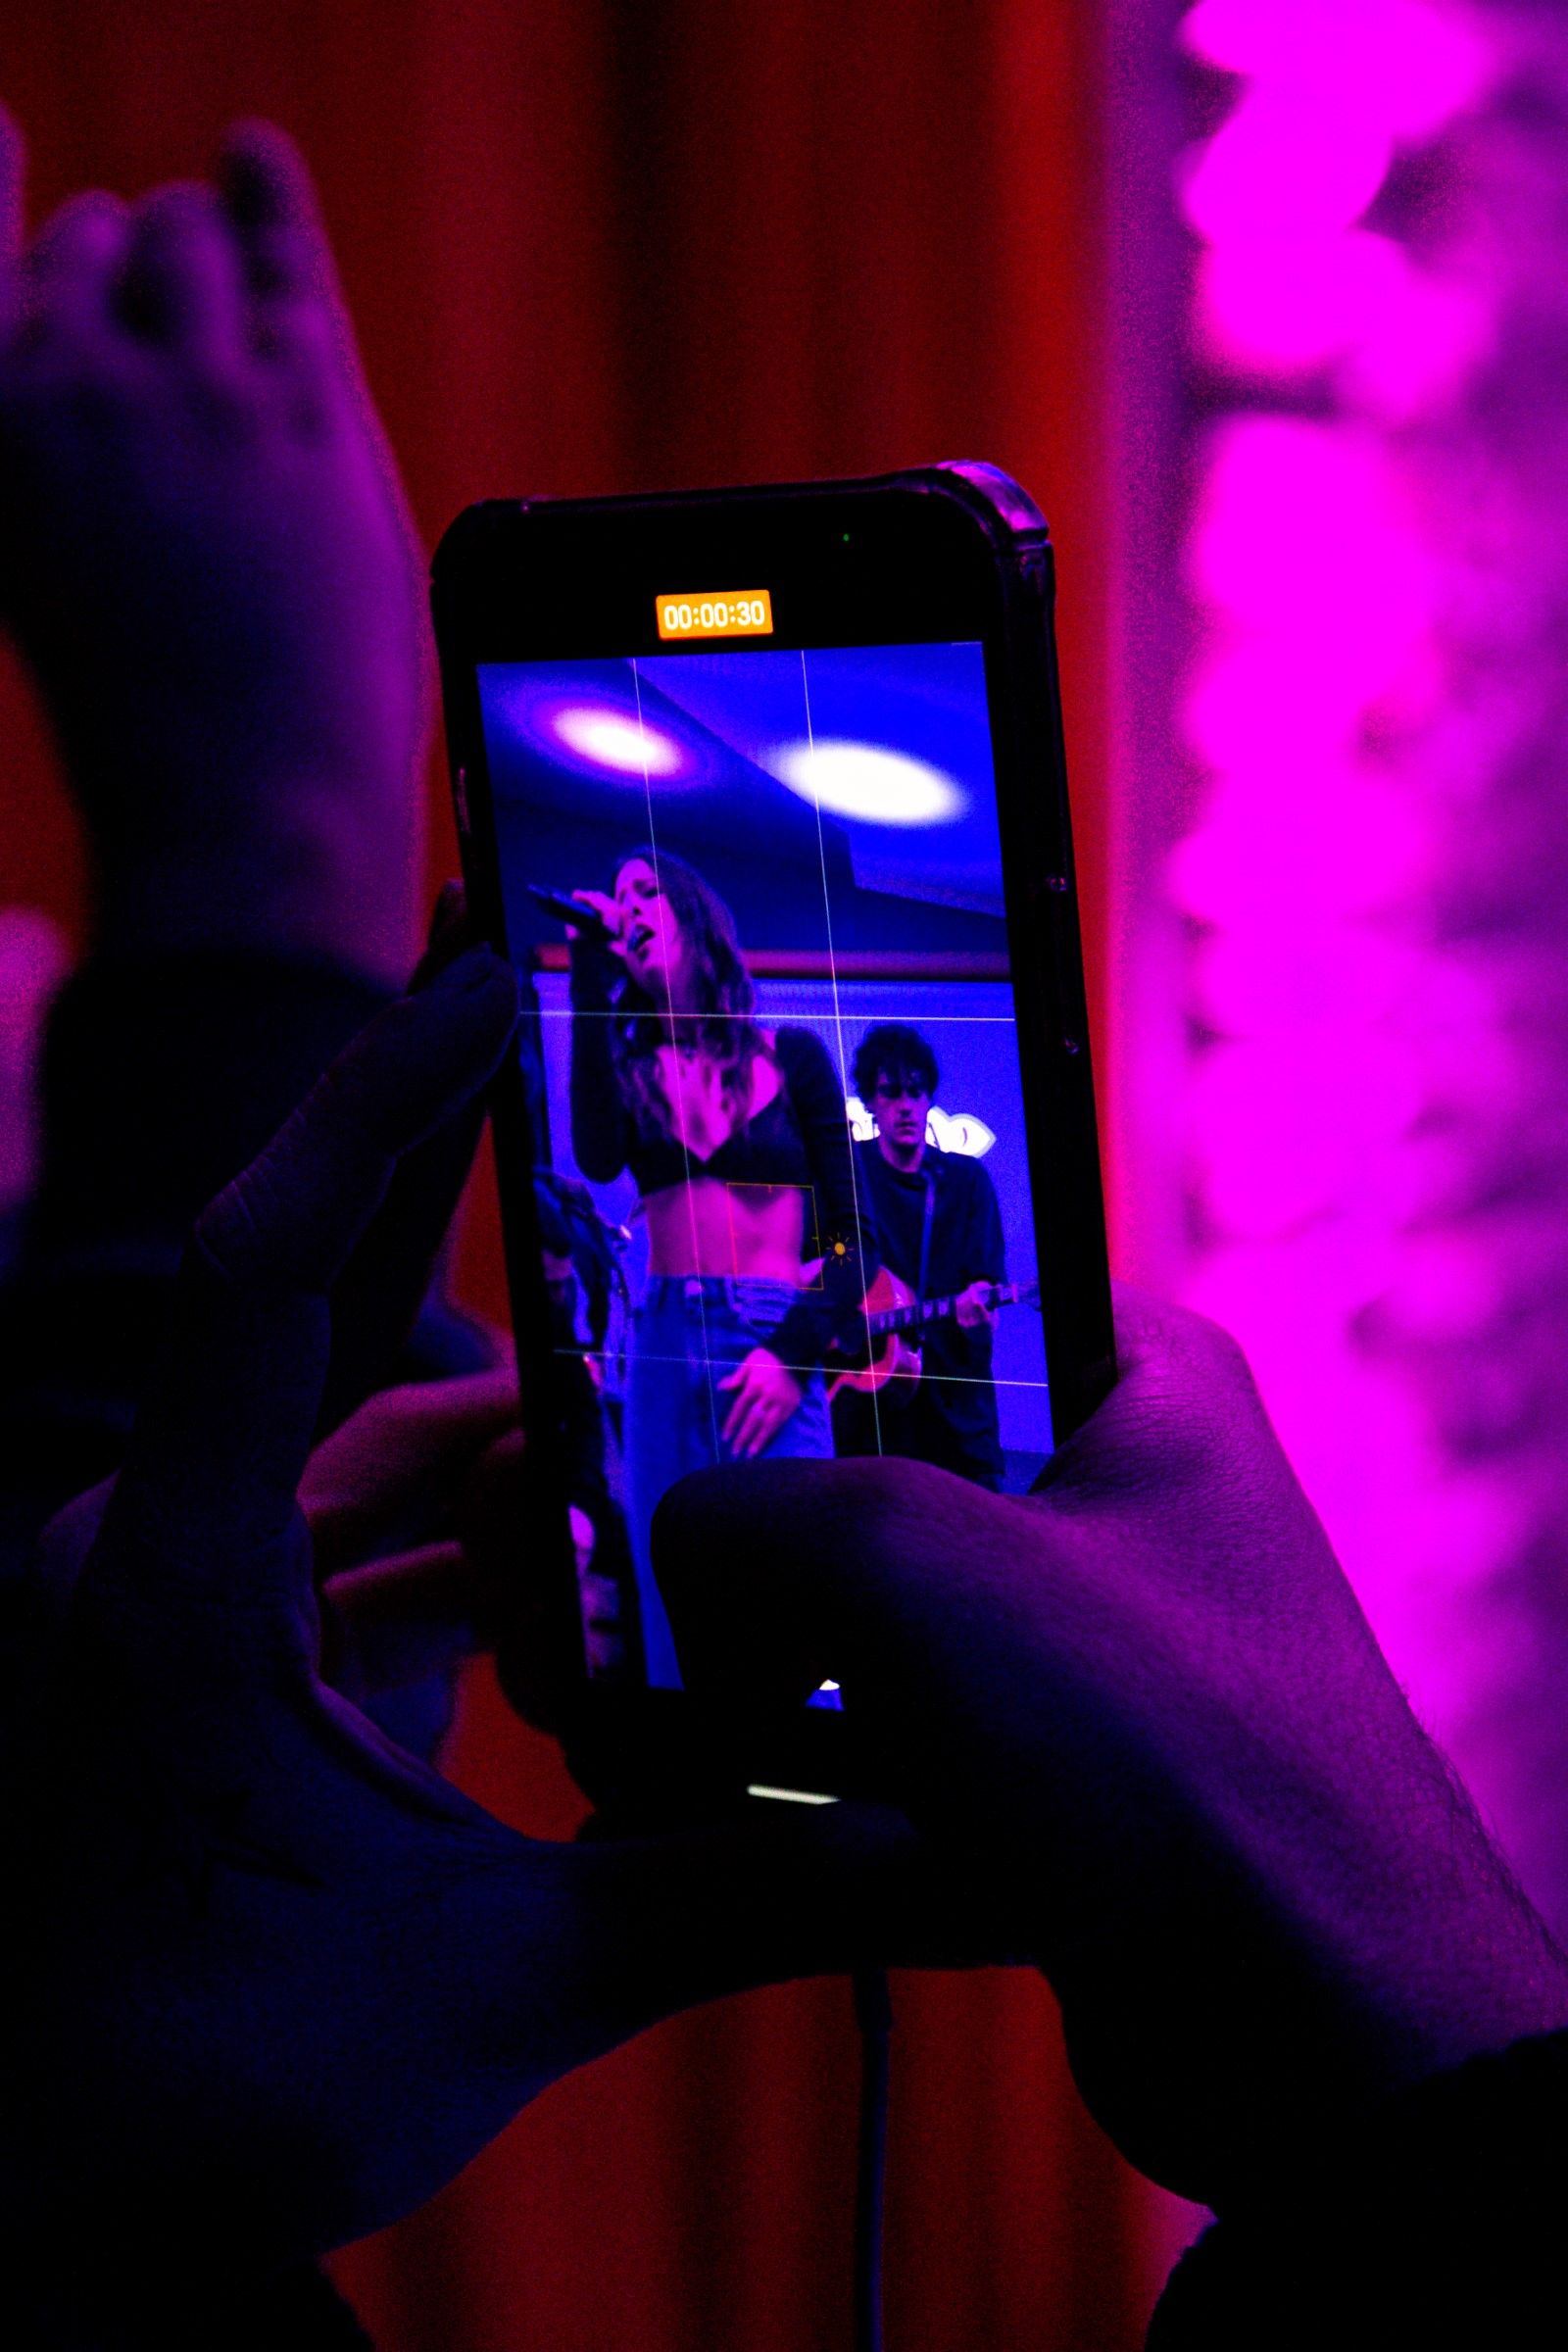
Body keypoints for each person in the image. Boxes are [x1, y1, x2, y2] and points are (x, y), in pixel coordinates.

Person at [564, 848, 874, 1686]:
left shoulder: (792, 1058)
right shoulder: (629, 1069)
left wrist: (794, 1352)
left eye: (647, 890)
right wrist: (589, 972)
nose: (630, 905)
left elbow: (853, 1241)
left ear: (694, 915)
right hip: (664, 1347)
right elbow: (595, 1155)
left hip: (771, 1339)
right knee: (673, 1612)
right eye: (618, 895)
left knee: (796, 1600)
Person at [835, 1020, 1007, 1488]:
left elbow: (986, 1285)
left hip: (954, 1416)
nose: (905, 1106)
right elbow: (819, 1257)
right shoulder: (849, 1173)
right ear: (870, 1101)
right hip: (868, 1419)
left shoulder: (966, 1182)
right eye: (891, 1093)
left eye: (916, 1092)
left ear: (930, 1097)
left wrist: (979, 1312)